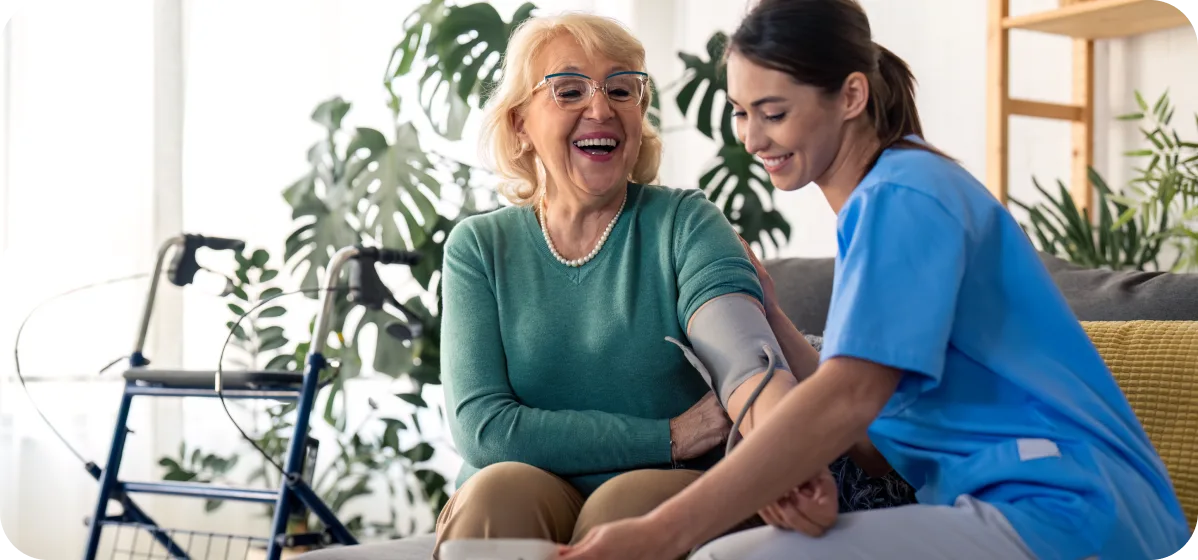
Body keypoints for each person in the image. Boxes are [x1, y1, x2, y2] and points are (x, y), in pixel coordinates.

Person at [558, 0, 1192, 559]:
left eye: (773, 112)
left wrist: (658, 533)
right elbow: (870, 437)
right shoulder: (882, 205)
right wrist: (775, 321)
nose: (751, 137)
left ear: (852, 96)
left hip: (1073, 512)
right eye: (741, 112)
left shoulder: (909, 197)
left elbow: (847, 397)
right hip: (1026, 508)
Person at [433, 12, 789, 559]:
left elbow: (744, 358)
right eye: (569, 89)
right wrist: (666, 436)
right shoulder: (478, 248)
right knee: (495, 494)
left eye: (621, 88)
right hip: (545, 485)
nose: (601, 108)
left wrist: (786, 443)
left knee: (621, 505)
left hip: (668, 488)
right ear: (520, 123)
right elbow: (484, 429)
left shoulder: (686, 224)